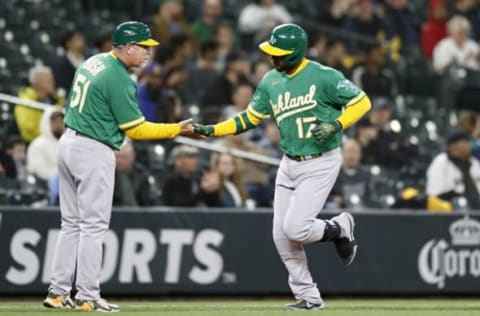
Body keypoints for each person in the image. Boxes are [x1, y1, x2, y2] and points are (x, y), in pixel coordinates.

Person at [193, 23, 371, 310]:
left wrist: (336, 124)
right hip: (289, 163)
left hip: (320, 161)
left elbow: (362, 102)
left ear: (295, 52)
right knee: (281, 235)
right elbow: (248, 118)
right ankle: (309, 297)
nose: (272, 57)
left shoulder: (323, 76)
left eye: (279, 53)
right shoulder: (270, 81)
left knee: (296, 229)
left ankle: (339, 227)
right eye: (271, 52)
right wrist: (213, 130)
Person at [42, 21, 196, 312]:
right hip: (92, 148)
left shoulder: (93, 61)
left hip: (68, 142)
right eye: (143, 47)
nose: (149, 53)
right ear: (126, 48)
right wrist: (176, 129)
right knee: (93, 227)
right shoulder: (120, 78)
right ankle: (88, 295)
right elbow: (136, 130)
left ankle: (58, 292)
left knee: (71, 224)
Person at [426, 129, 480, 209]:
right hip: (450, 211)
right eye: (464, 142)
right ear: (453, 146)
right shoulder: (441, 162)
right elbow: (433, 194)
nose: (469, 145)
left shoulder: (474, 162)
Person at [15, 65, 64, 143]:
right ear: (38, 84)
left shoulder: (57, 99)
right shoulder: (25, 102)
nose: (53, 83)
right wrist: (51, 134)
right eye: (49, 81)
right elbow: (28, 130)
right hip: (36, 144)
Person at [26, 108, 64, 182]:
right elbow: (38, 169)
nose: (58, 125)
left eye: (61, 121)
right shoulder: (38, 144)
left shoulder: (67, 144)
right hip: (44, 185)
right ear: (46, 123)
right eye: (55, 122)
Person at [113, 140, 154, 206]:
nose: (119, 161)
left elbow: (147, 200)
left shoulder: (142, 174)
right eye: (117, 157)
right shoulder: (109, 174)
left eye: (123, 157)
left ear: (133, 156)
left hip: (140, 213)